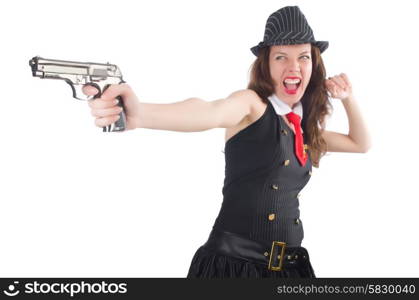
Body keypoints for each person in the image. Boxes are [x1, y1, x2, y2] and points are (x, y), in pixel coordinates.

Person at [82, 6, 371, 278]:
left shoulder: (306, 131)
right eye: (281, 56)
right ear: (266, 65)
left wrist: (348, 98)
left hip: (290, 268)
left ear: (314, 64)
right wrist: (139, 114)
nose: (293, 66)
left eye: (303, 56)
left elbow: (361, 143)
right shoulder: (251, 105)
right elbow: (208, 111)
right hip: (235, 268)